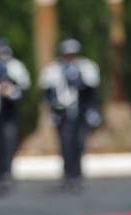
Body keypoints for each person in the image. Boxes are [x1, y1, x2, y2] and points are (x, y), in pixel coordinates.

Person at [39, 39, 100, 191]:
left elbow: (92, 91)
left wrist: (92, 110)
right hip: (62, 113)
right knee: (66, 145)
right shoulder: (53, 69)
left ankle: (77, 176)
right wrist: (52, 110)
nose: (70, 57)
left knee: (79, 144)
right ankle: (68, 176)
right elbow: (46, 92)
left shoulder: (87, 67)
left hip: (80, 112)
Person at [0, 38, 30, 195]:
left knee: (7, 144)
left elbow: (23, 91)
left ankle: (5, 174)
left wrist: (10, 92)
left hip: (7, 114)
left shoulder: (15, 67)